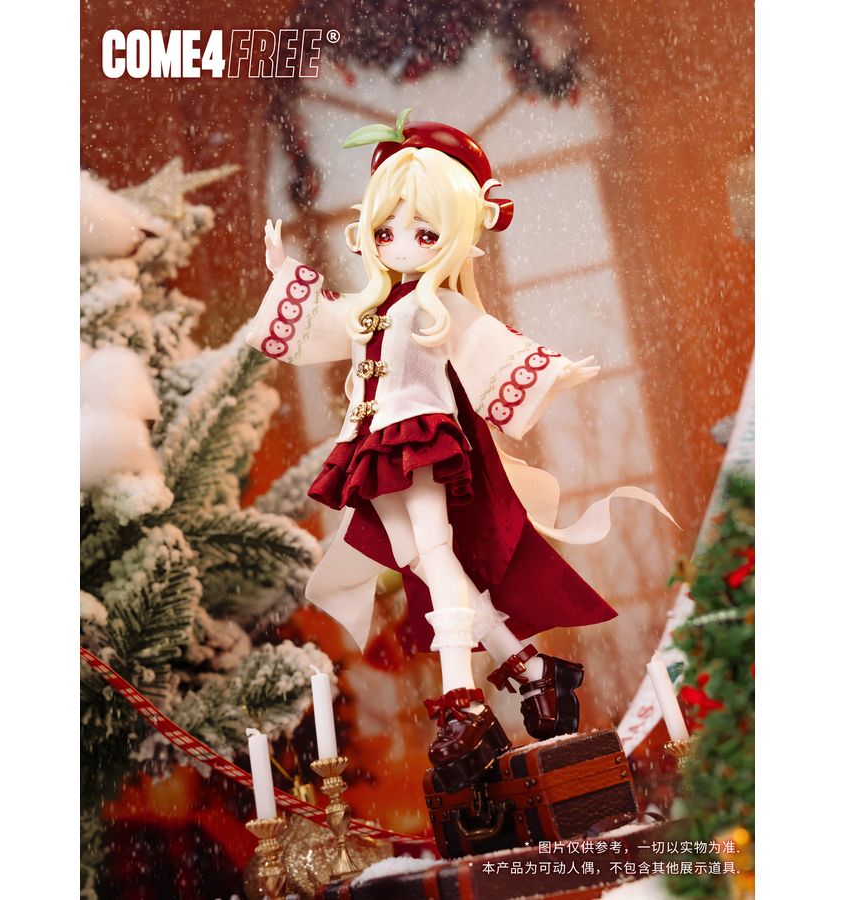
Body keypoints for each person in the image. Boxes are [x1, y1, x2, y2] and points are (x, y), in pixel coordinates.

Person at [248, 112, 673, 791]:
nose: (400, 244)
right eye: (385, 231)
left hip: (419, 440)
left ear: (455, 234)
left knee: (437, 555)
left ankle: (463, 698)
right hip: (372, 446)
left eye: (424, 233)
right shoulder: (374, 306)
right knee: (418, 557)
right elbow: (322, 323)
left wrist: (554, 372)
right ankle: (528, 667)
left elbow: (486, 344)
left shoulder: (435, 307)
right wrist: (283, 275)